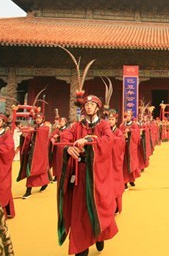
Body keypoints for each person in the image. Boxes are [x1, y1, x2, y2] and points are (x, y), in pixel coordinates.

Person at [58, 95, 118, 256]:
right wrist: (67, 148)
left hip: (97, 175)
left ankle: (100, 234)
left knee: (99, 206)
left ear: (98, 108)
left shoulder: (104, 125)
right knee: (79, 211)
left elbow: (109, 140)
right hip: (80, 174)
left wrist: (90, 139)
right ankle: (81, 247)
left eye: (92, 104)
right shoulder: (77, 126)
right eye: (87, 105)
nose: (89, 107)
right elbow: (65, 138)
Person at [17, 113, 50, 198]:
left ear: (43, 119)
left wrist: (34, 130)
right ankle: (29, 190)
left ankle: (41, 185)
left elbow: (43, 132)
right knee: (31, 169)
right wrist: (24, 136)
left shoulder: (45, 128)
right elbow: (29, 138)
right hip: (32, 152)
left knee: (36, 169)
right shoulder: (34, 127)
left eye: (39, 118)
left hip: (40, 153)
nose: (37, 120)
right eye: (36, 118)